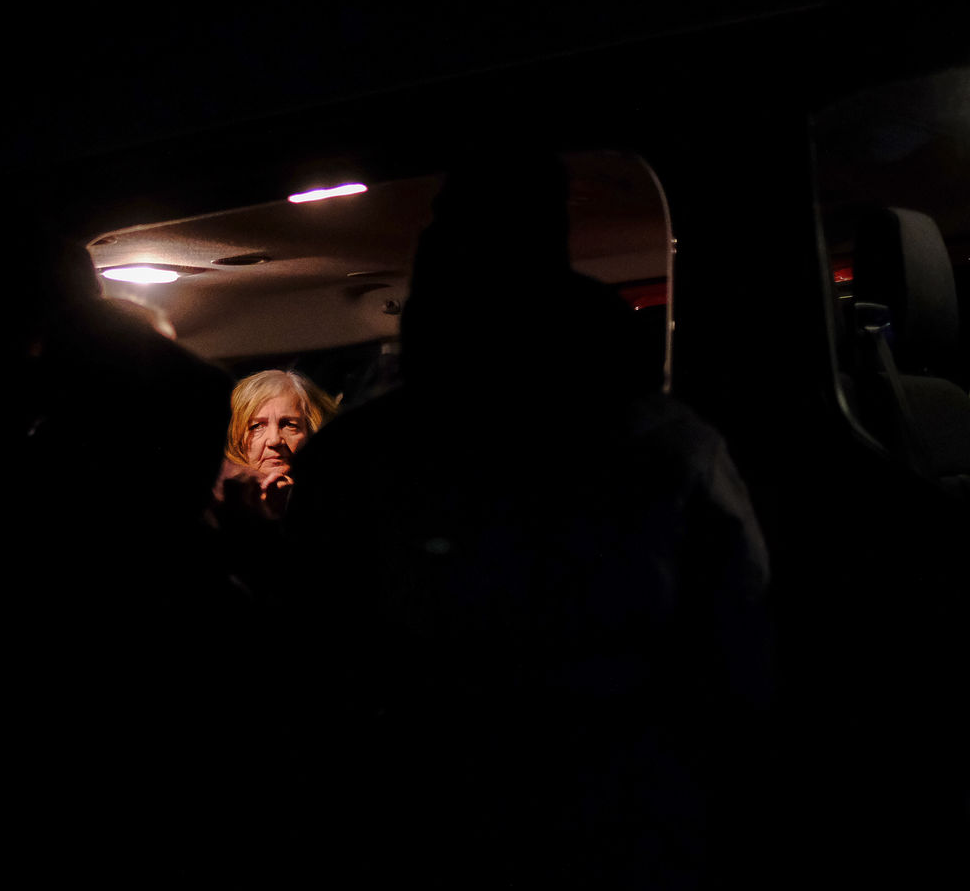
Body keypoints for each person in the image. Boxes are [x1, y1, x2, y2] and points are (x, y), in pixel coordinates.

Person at [282, 149, 774, 889]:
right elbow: (740, 674)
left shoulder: (357, 459)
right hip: (632, 836)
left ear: (432, 280)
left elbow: (311, 683)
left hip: (424, 837)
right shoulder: (670, 447)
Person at [216, 369, 339, 521]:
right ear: (235, 436)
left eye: (289, 425)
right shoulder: (214, 503)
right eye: (257, 426)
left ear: (312, 430)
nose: (274, 440)